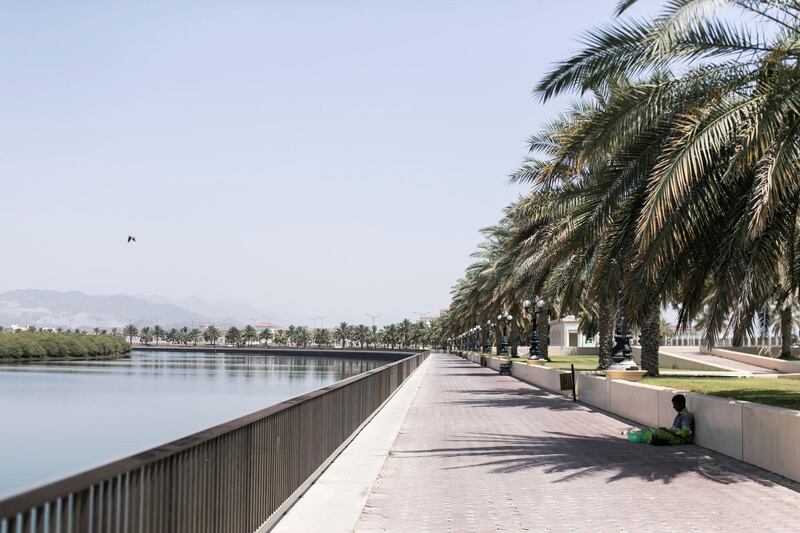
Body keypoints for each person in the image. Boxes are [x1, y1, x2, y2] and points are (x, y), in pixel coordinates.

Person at [628, 394, 694, 445]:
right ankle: (656, 439)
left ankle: (656, 439)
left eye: (675, 405)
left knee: (658, 432)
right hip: (672, 434)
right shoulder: (680, 414)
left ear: (681, 404)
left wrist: (668, 431)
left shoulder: (686, 416)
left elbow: (684, 434)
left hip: (678, 439)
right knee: (651, 429)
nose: (673, 407)